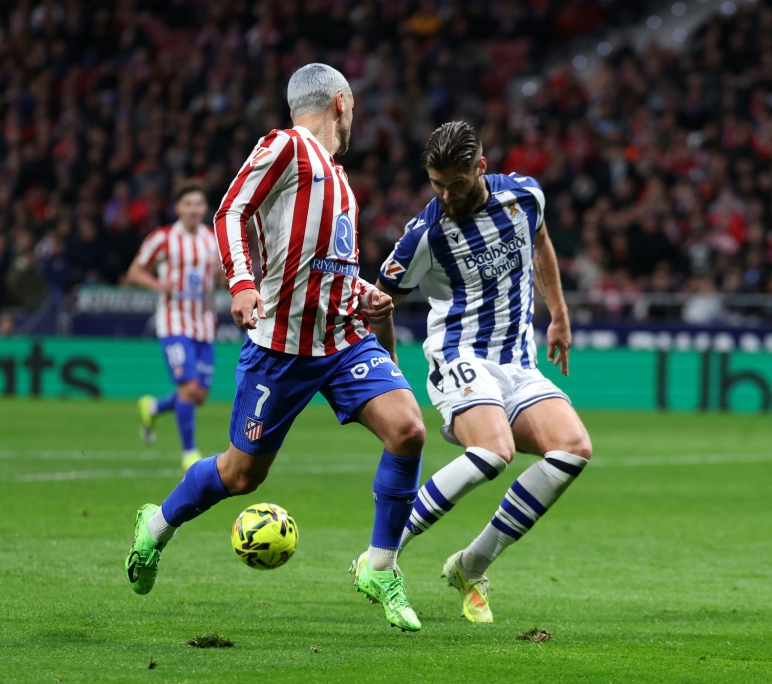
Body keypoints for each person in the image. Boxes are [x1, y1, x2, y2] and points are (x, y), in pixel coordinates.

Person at [124, 63, 428, 632]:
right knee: (241, 477)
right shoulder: (287, 147)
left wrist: (364, 295)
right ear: (341, 102)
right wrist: (241, 285)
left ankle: (380, 568)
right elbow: (231, 210)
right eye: (353, 106)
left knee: (408, 428)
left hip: (339, 341)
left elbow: (330, 267)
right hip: (280, 350)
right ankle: (155, 526)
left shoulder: (338, 180)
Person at [369, 121, 592, 623]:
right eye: (437, 184)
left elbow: (542, 242)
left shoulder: (525, 198)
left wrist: (558, 314)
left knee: (573, 449)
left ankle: (471, 565)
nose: (447, 195)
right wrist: (389, 369)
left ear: (481, 169)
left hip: (517, 361)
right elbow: (379, 303)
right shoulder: (424, 232)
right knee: (495, 451)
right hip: (457, 354)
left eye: (457, 183)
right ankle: (382, 554)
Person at [126, 179, 222, 472]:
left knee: (199, 394)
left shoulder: (213, 239)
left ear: (205, 208)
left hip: (204, 323)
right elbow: (134, 272)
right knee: (188, 388)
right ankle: (189, 452)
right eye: (188, 204)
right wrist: (159, 284)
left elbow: (221, 276)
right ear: (178, 208)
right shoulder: (163, 238)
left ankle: (152, 407)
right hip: (174, 321)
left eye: (198, 204)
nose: (194, 210)